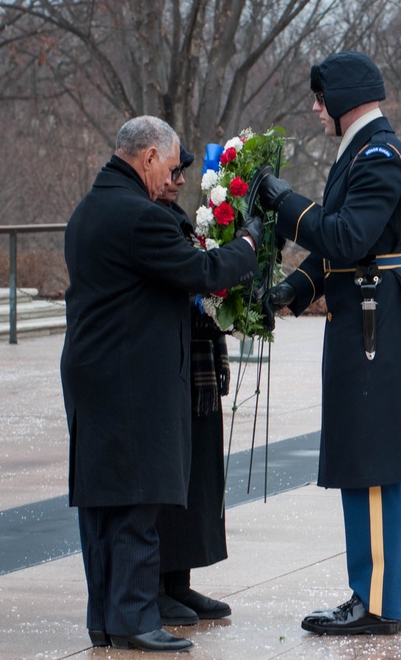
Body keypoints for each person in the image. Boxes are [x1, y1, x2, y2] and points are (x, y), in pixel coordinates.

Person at [61, 116, 262, 652]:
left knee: (103, 502)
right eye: (171, 166)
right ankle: (133, 619)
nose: (174, 177)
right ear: (148, 157)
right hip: (130, 377)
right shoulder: (138, 216)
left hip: (94, 373)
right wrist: (248, 242)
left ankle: (108, 620)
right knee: (136, 497)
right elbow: (203, 272)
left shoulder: (90, 209)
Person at [253, 50, 401, 635]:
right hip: (363, 313)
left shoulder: (378, 155)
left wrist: (283, 201)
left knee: (374, 462)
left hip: (374, 321)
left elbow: (347, 237)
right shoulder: (361, 151)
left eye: (320, 97)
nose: (315, 108)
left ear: (344, 98)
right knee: (363, 458)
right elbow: (340, 248)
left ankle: (377, 603)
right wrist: (295, 288)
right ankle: (369, 592)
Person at [153, 145, 233, 626]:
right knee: (169, 484)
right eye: (173, 170)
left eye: (184, 171)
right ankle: (157, 586)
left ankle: (178, 583)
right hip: (169, 367)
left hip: (194, 366)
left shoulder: (176, 218)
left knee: (196, 478)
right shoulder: (150, 221)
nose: (180, 179)